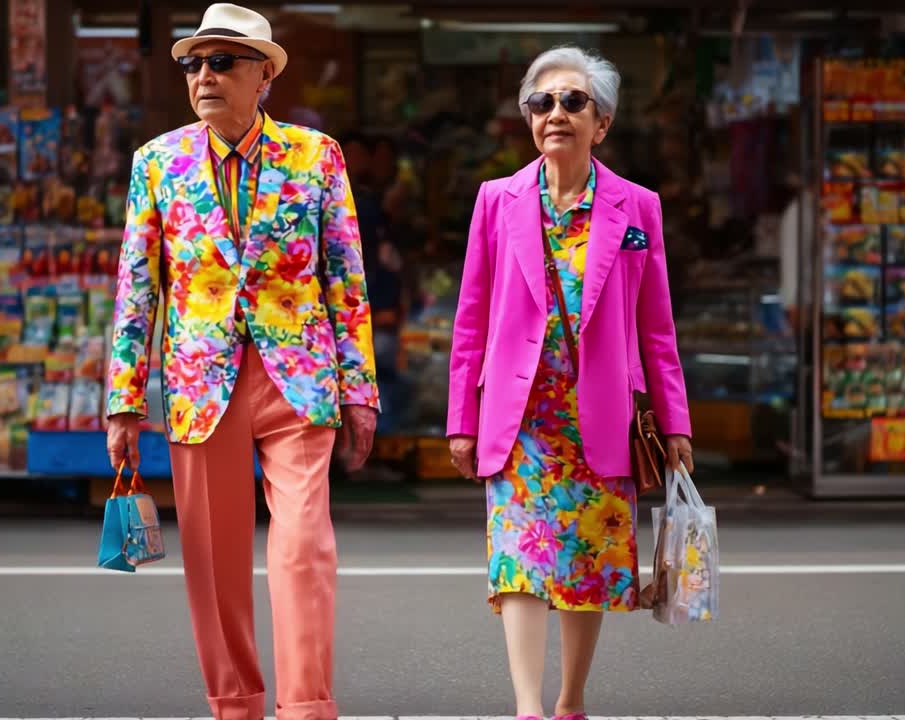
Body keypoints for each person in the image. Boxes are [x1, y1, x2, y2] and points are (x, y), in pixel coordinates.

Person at [103, 5, 379, 719]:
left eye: (222, 62)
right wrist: (124, 399)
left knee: (303, 548)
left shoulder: (317, 156)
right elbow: (139, 286)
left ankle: (307, 707)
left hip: (300, 377)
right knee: (216, 557)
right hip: (199, 380)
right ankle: (235, 704)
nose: (204, 76)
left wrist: (361, 389)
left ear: (264, 76)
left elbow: (345, 278)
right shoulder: (157, 163)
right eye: (194, 63)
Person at [445, 46, 694, 720]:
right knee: (519, 563)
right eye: (542, 102)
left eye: (572, 101)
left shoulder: (637, 208)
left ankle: (570, 700)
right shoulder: (496, 201)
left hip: (603, 414)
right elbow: (470, 320)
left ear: (602, 122)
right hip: (519, 415)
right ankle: (528, 708)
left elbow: (658, 330)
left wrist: (676, 425)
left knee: (586, 559)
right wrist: (460, 422)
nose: (555, 113)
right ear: (529, 119)